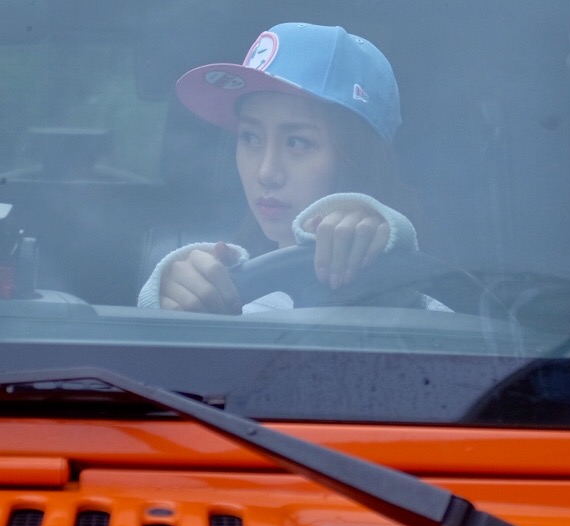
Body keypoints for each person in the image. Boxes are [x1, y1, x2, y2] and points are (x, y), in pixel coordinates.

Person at [138, 23, 445, 313]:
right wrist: (166, 306)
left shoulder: (427, 310)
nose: (266, 173)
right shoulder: (220, 288)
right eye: (250, 137)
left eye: (297, 142)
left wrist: (394, 272)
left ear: (359, 158)